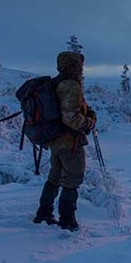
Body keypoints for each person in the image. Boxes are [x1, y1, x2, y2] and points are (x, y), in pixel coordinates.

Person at [33, 51, 97, 231]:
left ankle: (44, 212)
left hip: (55, 140)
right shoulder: (70, 85)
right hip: (70, 142)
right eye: (79, 66)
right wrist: (89, 122)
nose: (81, 70)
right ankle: (67, 220)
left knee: (55, 176)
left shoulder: (56, 83)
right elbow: (71, 118)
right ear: (74, 66)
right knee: (73, 178)